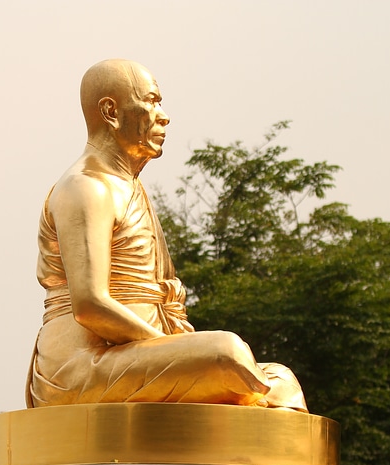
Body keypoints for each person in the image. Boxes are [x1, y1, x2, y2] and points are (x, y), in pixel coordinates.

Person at [26, 59, 306, 412]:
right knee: (227, 353)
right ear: (111, 112)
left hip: (133, 355)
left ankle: (245, 463)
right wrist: (172, 350)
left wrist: (177, 352)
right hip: (81, 365)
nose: (163, 115)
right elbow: (90, 305)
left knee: (281, 377)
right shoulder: (86, 188)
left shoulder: (129, 187)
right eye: (152, 101)